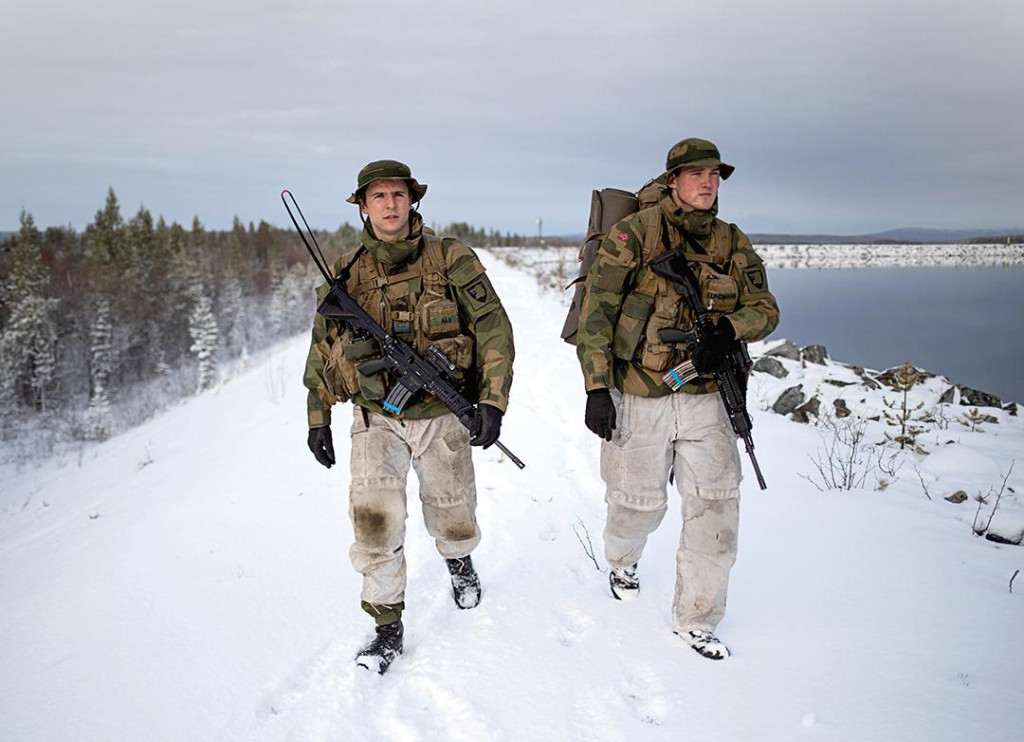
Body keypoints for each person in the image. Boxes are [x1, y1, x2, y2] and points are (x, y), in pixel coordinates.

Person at [303, 160, 515, 674]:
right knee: (374, 522)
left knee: (451, 507)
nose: (390, 205)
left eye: (398, 194)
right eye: (379, 196)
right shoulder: (347, 272)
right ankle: (386, 627)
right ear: (363, 205)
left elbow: (494, 330)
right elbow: (321, 346)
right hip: (376, 417)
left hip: (443, 414)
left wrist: (493, 400)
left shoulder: (452, 258)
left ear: (412, 200)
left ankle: (459, 560)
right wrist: (317, 417)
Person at [575, 138, 779, 660]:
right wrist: (597, 388)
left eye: (715, 175)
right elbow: (597, 313)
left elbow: (766, 308)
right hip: (640, 393)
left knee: (717, 505)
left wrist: (729, 329)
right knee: (634, 503)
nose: (708, 183)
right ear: (673, 181)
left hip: (708, 397)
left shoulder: (732, 242)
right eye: (696, 175)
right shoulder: (634, 234)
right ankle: (622, 560)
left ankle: (698, 618)